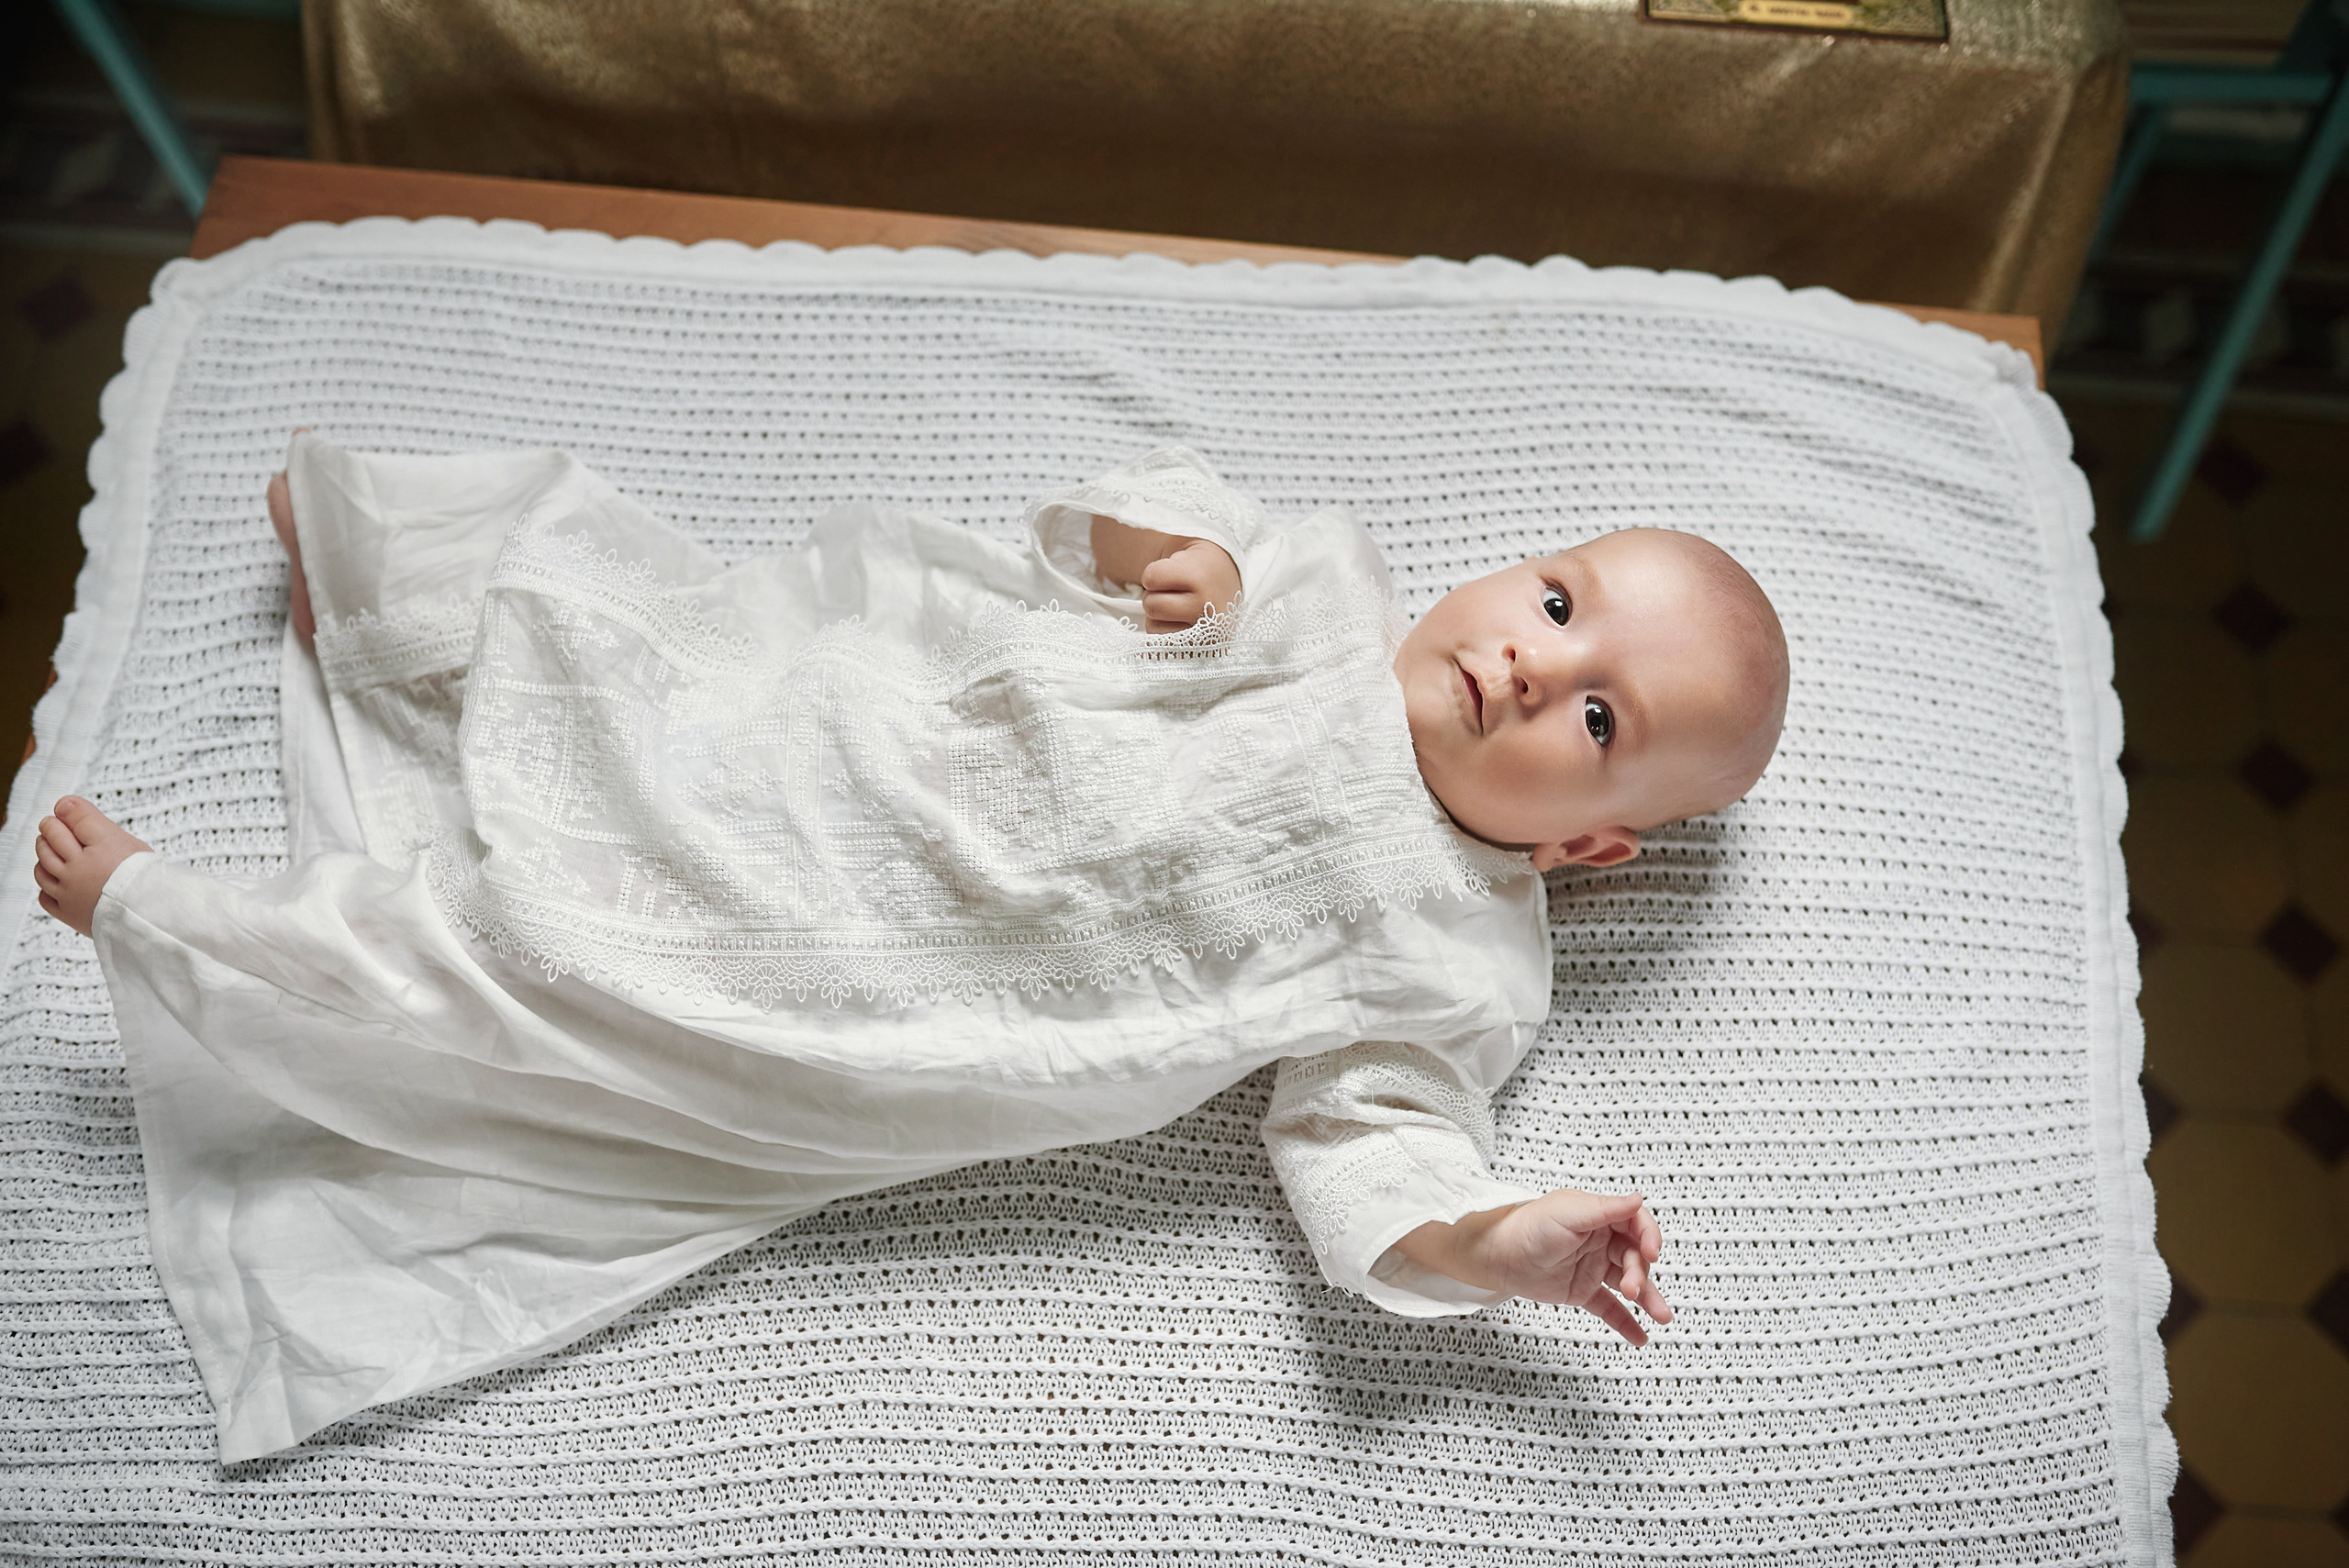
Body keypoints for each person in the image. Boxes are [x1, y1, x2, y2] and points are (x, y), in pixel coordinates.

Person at [31, 437, 1787, 1460]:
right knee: (626, 628)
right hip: (872, 755)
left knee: (560, 977)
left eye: (1602, 718)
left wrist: (1502, 1241)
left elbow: (1368, 1136)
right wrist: (1176, 553)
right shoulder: (1316, 589)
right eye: (1557, 603)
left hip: (896, 980)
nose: (1533, 668)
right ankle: (397, 600)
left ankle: (191, 926)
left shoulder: (1455, 957)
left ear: (1590, 843)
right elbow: (1110, 525)